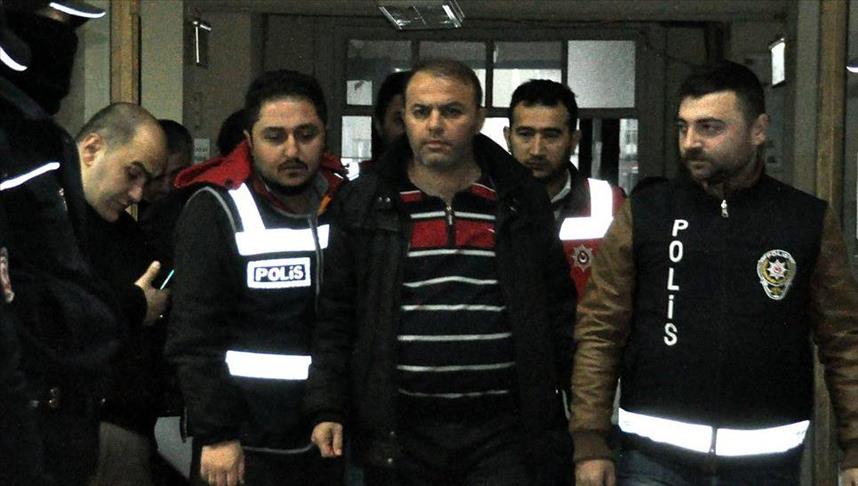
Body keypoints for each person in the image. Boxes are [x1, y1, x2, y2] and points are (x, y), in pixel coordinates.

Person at [570, 61, 858, 486]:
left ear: (758, 130)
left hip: (765, 460)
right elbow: (601, 328)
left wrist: (855, 446)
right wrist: (590, 439)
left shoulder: (804, 219)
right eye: (683, 127)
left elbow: (844, 339)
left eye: (709, 128)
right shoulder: (647, 212)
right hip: (653, 457)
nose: (691, 143)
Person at [306, 58, 575, 486]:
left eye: (451, 111)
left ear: (479, 119)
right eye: (420, 111)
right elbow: (337, 315)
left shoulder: (519, 198)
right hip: (400, 430)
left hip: (504, 431)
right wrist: (328, 407)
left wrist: (581, 417)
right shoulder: (364, 202)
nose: (434, 124)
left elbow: (558, 309)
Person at [165, 69, 348, 486]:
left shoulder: (343, 203)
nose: (292, 150)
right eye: (274, 137)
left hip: (323, 434)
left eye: (306, 134)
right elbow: (193, 336)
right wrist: (217, 434)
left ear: (325, 134)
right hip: (241, 443)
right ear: (249, 140)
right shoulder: (215, 209)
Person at [0, 1, 124, 484]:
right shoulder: (15, 137)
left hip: (61, 413)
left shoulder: (39, 135)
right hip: (25, 412)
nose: (65, 40)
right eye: (57, 23)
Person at [76, 102, 170, 486]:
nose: (137, 193)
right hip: (75, 422)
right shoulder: (39, 222)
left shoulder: (126, 234)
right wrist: (135, 305)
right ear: (92, 149)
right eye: (133, 173)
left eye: (147, 180)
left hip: (125, 426)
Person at [505, 79, 625, 297]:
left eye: (551, 135)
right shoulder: (487, 200)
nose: (537, 150)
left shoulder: (608, 202)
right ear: (507, 137)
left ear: (574, 140)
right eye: (525, 134)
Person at [139, 118, 194, 272]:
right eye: (157, 177)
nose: (166, 187)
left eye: (177, 175)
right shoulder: (124, 212)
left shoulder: (198, 210)